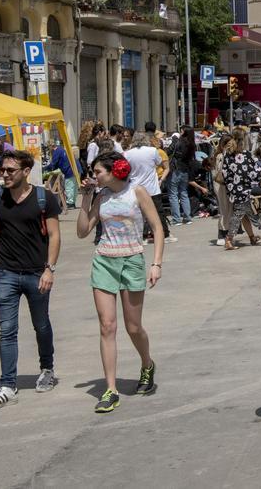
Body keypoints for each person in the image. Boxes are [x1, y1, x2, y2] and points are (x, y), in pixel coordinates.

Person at [75, 151, 164, 413]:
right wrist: (86, 198)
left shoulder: (137, 192)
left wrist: (156, 264)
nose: (94, 176)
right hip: (104, 261)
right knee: (107, 326)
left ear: (114, 170)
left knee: (133, 327)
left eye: (97, 172)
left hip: (132, 260)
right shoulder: (100, 195)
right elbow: (82, 232)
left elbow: (157, 228)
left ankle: (147, 364)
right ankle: (111, 389)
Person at [0, 150, 63, 409]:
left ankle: (47, 368)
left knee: (41, 325)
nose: (4, 175)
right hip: (6, 273)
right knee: (7, 330)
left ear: (26, 172)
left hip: (37, 272)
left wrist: (50, 269)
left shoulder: (44, 198)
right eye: (3, 170)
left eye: (10, 170)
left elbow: (55, 236)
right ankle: (7, 384)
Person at [125, 133, 174, 243]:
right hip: (152, 188)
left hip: (135, 188)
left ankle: (140, 235)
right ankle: (164, 234)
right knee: (158, 212)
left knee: (138, 213)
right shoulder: (152, 151)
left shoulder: (127, 154)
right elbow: (159, 163)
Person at [221, 131, 261, 250]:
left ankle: (252, 237)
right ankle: (228, 239)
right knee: (239, 214)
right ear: (242, 141)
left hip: (234, 190)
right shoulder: (244, 154)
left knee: (243, 214)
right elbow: (253, 170)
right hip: (242, 190)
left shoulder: (228, 155)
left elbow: (226, 173)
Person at [166, 125, 196, 226]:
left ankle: (176, 219)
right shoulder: (192, 144)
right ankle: (187, 217)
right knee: (183, 193)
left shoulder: (178, 141)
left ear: (183, 132)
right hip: (185, 170)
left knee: (173, 194)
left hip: (176, 169)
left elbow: (168, 151)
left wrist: (174, 140)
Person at [43, 139, 77, 209]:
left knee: (69, 187)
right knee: (73, 186)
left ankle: (70, 203)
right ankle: (72, 202)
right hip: (72, 169)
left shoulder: (56, 151)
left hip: (69, 170)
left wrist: (44, 168)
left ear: (50, 146)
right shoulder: (60, 149)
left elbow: (53, 164)